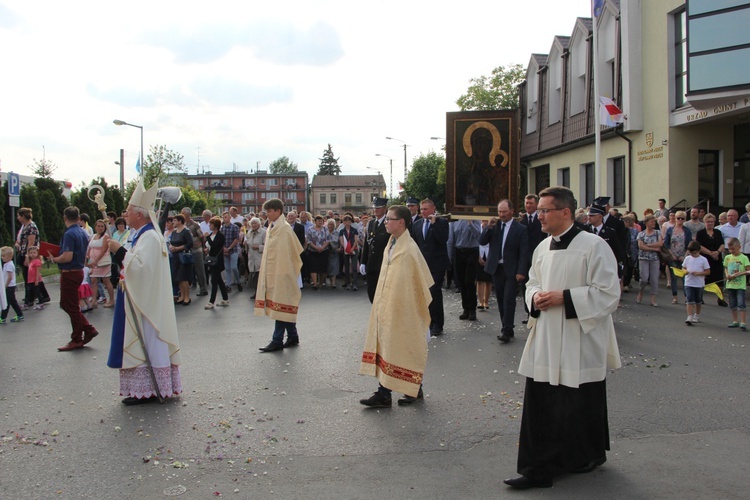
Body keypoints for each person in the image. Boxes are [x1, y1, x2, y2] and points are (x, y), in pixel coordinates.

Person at [503, 186, 621, 490]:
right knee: (543, 401)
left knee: (579, 400)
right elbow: (531, 284)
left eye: (544, 210)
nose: (538, 215)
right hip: (546, 336)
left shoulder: (594, 246)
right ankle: (538, 467)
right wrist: (536, 296)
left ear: (565, 212)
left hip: (578, 336)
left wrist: (565, 298)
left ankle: (586, 454)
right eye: (538, 210)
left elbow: (608, 293)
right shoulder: (542, 248)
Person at [107, 180, 182, 405]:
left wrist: (119, 251)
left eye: (129, 211)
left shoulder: (149, 236)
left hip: (147, 303)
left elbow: (142, 269)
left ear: (140, 215)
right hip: (140, 298)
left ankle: (150, 389)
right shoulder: (142, 234)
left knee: (148, 339)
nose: (125, 214)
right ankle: (146, 387)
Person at [359, 205, 433, 408]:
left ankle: (413, 388)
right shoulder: (392, 243)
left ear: (401, 222)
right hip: (387, 307)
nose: (385, 222)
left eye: (389, 219)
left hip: (404, 309)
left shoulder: (409, 249)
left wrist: (410, 309)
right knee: (388, 348)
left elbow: (419, 284)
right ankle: (384, 393)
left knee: (403, 347)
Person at [47, 207, 99, 351]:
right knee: (67, 304)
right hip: (78, 270)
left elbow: (67, 256)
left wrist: (53, 259)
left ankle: (78, 337)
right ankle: (87, 329)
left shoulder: (70, 233)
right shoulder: (82, 232)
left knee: (70, 305)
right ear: (77, 217)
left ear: (65, 218)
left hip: (70, 272)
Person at [256, 198, 304, 352]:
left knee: (280, 305)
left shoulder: (284, 229)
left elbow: (291, 253)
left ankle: (277, 340)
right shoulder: (272, 226)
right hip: (273, 273)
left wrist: (285, 272)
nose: (267, 214)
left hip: (283, 273)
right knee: (284, 305)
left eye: (269, 211)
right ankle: (292, 336)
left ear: (278, 211)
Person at [480, 199, 529, 343]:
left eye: (504, 212)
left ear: (512, 211)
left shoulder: (520, 229)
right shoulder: (494, 226)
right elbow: (482, 241)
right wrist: (487, 227)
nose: (501, 215)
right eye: (499, 212)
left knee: (509, 299)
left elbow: (523, 252)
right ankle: (506, 326)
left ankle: (506, 330)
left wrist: (521, 271)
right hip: (497, 268)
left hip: (511, 270)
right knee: (501, 299)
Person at [412, 199, 450, 335]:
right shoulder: (416, 225)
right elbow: (414, 245)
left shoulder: (442, 223)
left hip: (437, 264)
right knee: (424, 293)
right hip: (422, 265)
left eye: (426, 209)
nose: (423, 212)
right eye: (421, 209)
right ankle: (427, 321)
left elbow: (443, 239)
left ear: (433, 209)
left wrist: (434, 225)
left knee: (434, 291)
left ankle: (437, 323)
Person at [447, 218, 481, 322]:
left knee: (469, 281)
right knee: (461, 282)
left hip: (472, 251)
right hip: (459, 251)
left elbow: (478, 236)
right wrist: (449, 256)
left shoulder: (475, 220)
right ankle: (465, 308)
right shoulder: (455, 220)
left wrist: (470, 223)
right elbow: (451, 239)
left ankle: (472, 309)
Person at [360, 197, 390, 303]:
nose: (375, 210)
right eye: (374, 207)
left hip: (383, 263)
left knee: (383, 294)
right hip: (371, 263)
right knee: (371, 292)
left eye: (379, 207)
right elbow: (367, 244)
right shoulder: (371, 223)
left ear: (385, 208)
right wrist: (363, 262)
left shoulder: (389, 223)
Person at [696, 214, 727, 306]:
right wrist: (710, 253)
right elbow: (699, 246)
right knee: (703, 279)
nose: (710, 223)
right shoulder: (700, 233)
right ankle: (699, 297)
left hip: (717, 258)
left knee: (719, 279)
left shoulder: (718, 232)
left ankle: (720, 298)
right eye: (708, 222)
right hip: (705, 258)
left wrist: (717, 252)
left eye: (712, 222)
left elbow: (722, 244)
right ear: (704, 222)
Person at [664, 211, 692, 303]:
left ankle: (686, 297)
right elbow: (666, 243)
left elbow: (689, 244)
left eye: (682, 218)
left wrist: (685, 256)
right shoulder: (670, 230)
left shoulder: (687, 230)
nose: (680, 220)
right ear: (675, 218)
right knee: (674, 277)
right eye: (678, 218)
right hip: (673, 256)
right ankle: (675, 297)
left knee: (685, 277)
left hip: (683, 256)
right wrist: (671, 254)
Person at [681, 241, 710, 326]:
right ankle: (689, 316)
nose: (692, 255)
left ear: (699, 250)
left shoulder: (703, 260)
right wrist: (685, 271)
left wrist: (698, 273)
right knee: (689, 300)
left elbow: (708, 271)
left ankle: (696, 315)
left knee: (698, 301)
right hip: (689, 282)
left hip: (699, 283)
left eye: (694, 253)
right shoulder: (687, 258)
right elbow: (683, 267)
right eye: (691, 253)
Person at [87, 220, 115, 308]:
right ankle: (94, 300)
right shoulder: (94, 236)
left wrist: (96, 261)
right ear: (95, 227)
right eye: (98, 226)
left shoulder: (105, 237)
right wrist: (87, 257)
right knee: (93, 280)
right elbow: (89, 248)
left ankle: (111, 300)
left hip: (102, 261)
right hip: (93, 262)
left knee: (106, 280)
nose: (100, 228)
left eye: (102, 226)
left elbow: (103, 250)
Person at [15, 207, 39, 309]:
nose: (17, 217)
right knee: (27, 277)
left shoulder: (31, 227)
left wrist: (27, 257)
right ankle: (33, 296)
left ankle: (29, 299)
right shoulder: (24, 226)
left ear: (23, 216)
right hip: (23, 251)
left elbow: (31, 242)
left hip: (28, 254)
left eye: (19, 215)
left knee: (28, 277)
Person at [723, 237, 750, 330]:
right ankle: (735, 321)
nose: (731, 251)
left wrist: (738, 274)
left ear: (739, 247)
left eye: (733, 249)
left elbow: (748, 271)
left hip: (740, 285)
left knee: (741, 303)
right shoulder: (727, 257)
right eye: (729, 249)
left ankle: (743, 322)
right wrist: (727, 275)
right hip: (730, 284)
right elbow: (726, 268)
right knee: (732, 303)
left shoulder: (744, 257)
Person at [636, 214, 662, 307]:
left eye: (654, 221)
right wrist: (654, 248)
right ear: (646, 223)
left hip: (654, 259)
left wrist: (648, 245)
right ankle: (641, 291)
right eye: (652, 222)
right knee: (644, 278)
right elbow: (640, 246)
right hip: (643, 258)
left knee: (654, 279)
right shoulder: (641, 234)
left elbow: (660, 243)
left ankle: (653, 298)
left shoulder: (658, 233)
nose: (653, 223)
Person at [204, 217, 229, 309]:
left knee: (214, 281)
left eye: (211, 224)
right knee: (219, 281)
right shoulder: (211, 234)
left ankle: (211, 302)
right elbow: (209, 246)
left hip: (217, 261)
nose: (209, 225)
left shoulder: (220, 236)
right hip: (212, 260)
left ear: (216, 226)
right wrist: (206, 249)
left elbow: (214, 245)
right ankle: (225, 299)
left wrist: (207, 237)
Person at [182, 207, 208, 297]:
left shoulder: (195, 224)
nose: (182, 215)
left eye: (183, 213)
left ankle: (203, 288)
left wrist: (203, 247)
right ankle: (192, 284)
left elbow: (202, 237)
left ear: (187, 214)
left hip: (196, 249)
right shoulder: (183, 225)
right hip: (187, 250)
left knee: (199, 270)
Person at [169, 214, 194, 305]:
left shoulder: (186, 231)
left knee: (184, 278)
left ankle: (187, 297)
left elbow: (190, 243)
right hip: (175, 257)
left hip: (183, 257)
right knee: (178, 278)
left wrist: (178, 248)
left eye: (175, 220)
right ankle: (182, 296)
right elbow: (171, 242)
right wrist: (171, 247)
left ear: (180, 221)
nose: (173, 222)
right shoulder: (174, 232)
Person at [1, 246, 24, 324]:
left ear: (10, 256)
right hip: (9, 286)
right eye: (1, 256)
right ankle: (20, 315)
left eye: (4, 256)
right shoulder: (6, 264)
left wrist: (5, 286)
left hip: (9, 286)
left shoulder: (9, 265)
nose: (2, 257)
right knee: (13, 302)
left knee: (6, 302)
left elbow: (10, 277)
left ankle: (3, 318)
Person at [244, 217, 266, 299]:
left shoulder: (264, 232)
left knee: (260, 276)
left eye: (255, 223)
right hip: (252, 257)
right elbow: (248, 244)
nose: (253, 225)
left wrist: (259, 247)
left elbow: (268, 246)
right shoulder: (249, 232)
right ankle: (256, 292)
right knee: (254, 276)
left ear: (259, 224)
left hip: (260, 257)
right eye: (252, 224)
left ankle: (262, 294)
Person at [306, 215, 330, 290]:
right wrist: (316, 248)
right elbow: (309, 240)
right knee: (313, 267)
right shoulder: (310, 229)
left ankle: (321, 283)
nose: (320, 222)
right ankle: (315, 284)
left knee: (322, 268)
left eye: (321, 221)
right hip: (313, 251)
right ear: (315, 221)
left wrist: (322, 247)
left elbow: (328, 240)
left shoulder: (326, 229)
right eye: (318, 221)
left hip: (324, 251)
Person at [221, 211, 241, 292]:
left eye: (226, 217)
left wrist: (229, 248)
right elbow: (221, 240)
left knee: (234, 267)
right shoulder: (222, 228)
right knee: (227, 269)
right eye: (223, 217)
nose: (224, 218)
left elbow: (236, 239)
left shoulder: (235, 227)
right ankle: (228, 285)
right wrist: (224, 248)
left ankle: (238, 281)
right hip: (225, 250)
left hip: (233, 250)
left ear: (230, 218)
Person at [339, 215, 360, 291]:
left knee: (354, 267)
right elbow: (341, 241)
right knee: (347, 267)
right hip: (345, 250)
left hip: (354, 249)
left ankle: (355, 284)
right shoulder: (342, 231)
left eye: (350, 220)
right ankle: (348, 283)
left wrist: (352, 248)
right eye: (347, 220)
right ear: (344, 222)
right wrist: (346, 248)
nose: (349, 222)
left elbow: (356, 240)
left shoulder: (354, 230)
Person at [325, 218, 340, 288]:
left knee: (335, 266)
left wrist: (339, 248)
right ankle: (330, 280)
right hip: (326, 251)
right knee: (328, 266)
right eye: (329, 224)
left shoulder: (337, 232)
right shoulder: (324, 232)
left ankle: (333, 282)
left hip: (335, 251)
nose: (330, 226)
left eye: (332, 224)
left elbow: (340, 241)